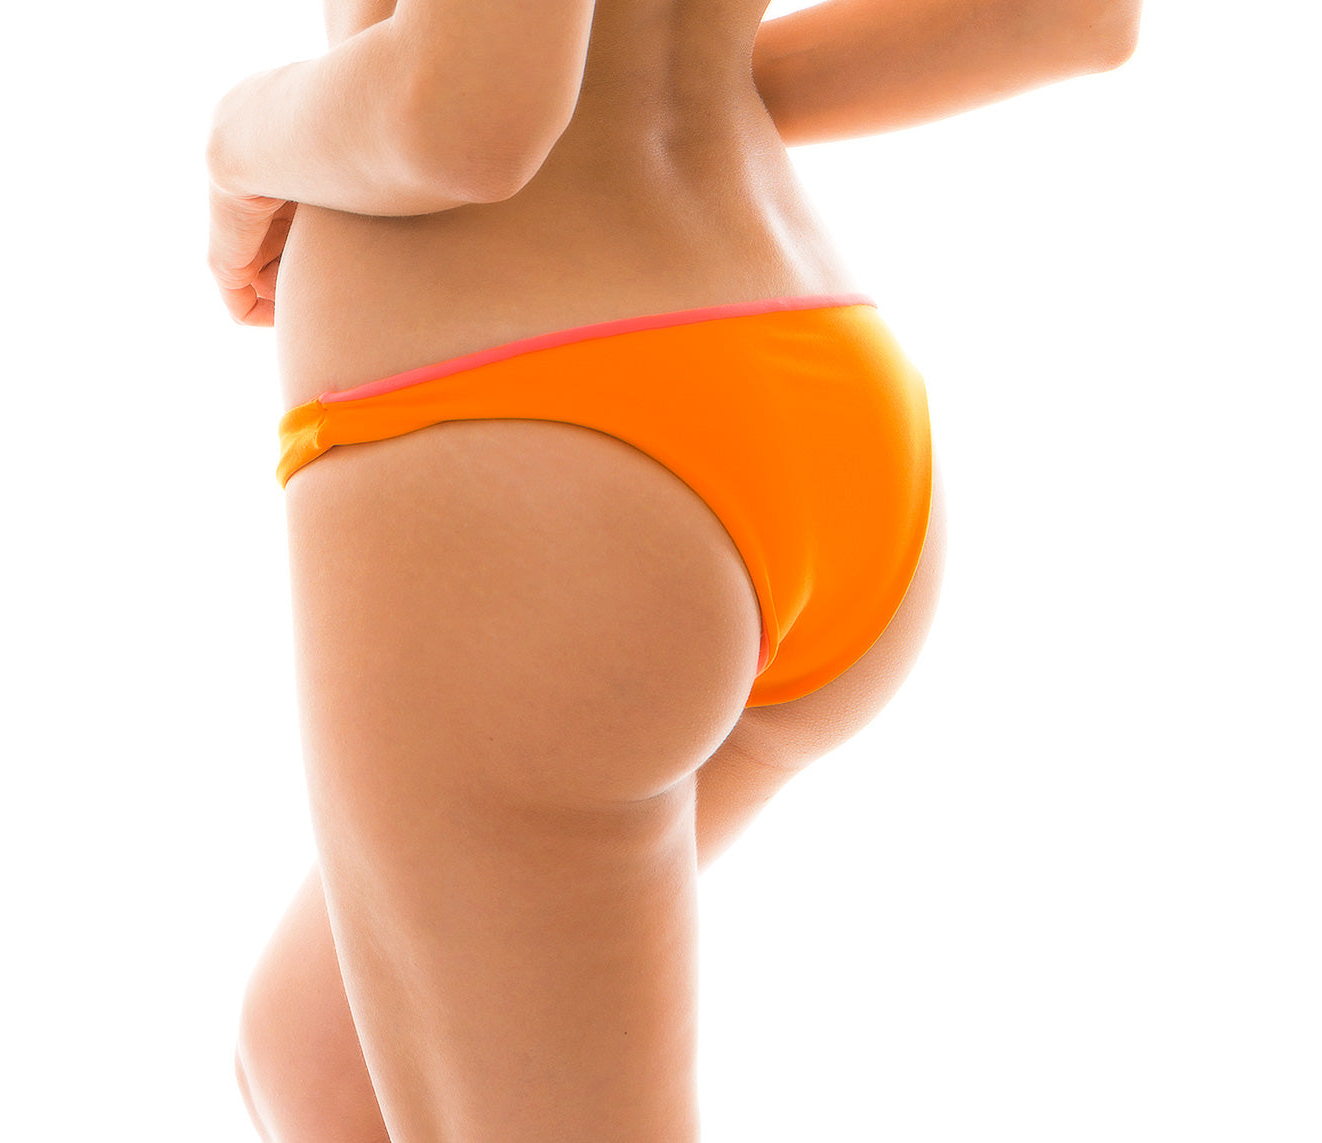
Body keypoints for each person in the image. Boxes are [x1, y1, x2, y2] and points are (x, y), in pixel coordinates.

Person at [205, 0, 1139, 1139]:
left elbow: (465, 117)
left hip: (533, 441)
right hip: (811, 384)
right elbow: (1071, 18)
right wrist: (682, 96)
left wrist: (238, 144)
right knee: (316, 1059)